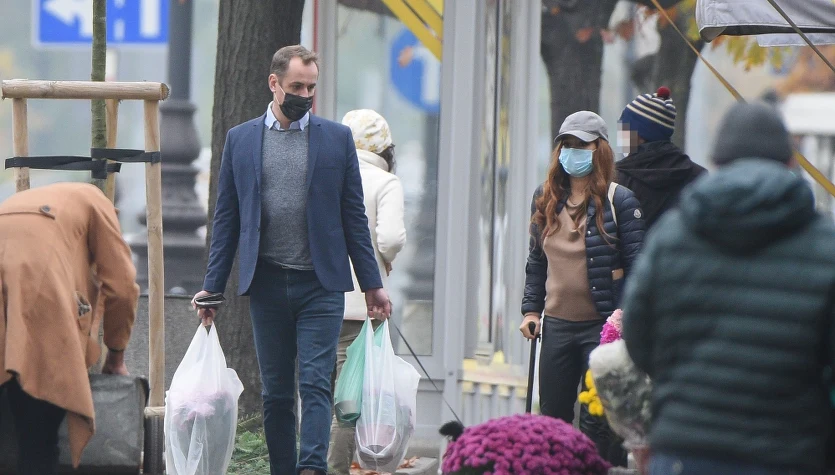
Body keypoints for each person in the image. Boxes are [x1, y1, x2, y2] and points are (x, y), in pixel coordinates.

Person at [192, 45, 392, 475]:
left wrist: (373, 284)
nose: (305, 95)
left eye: (311, 87)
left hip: (320, 285)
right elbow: (227, 218)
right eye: (296, 86)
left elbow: (354, 218)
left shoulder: (335, 139)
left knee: (316, 384)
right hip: (266, 284)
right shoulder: (242, 140)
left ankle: (311, 468)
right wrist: (212, 287)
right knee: (277, 393)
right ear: (274, 83)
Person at [622, 102, 835, 475]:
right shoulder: (825, 246)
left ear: (717, 162)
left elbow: (638, 337)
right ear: (790, 162)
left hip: (684, 450)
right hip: (787, 452)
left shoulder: (672, 236)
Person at [520, 111, 646, 465]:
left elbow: (639, 267)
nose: (572, 151)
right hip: (557, 326)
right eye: (567, 144)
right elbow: (536, 262)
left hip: (602, 328)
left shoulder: (621, 201)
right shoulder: (545, 197)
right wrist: (531, 311)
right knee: (553, 418)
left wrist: (626, 317)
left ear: (599, 150)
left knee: (597, 422)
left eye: (582, 145)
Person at [0, 182, 139, 475]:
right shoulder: (98, 204)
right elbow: (122, 287)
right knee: (37, 440)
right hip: (40, 304)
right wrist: (116, 355)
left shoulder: (27, 200)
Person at [327, 109, 407, 475]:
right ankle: (334, 469)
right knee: (348, 401)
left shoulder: (327, 173)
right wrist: (383, 260)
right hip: (360, 307)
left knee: (316, 392)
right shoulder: (385, 182)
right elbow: (390, 238)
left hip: (318, 301)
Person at [615, 87, 706, 229]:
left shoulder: (616, 178)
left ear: (640, 134)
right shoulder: (698, 176)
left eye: (624, 128)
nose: (620, 134)